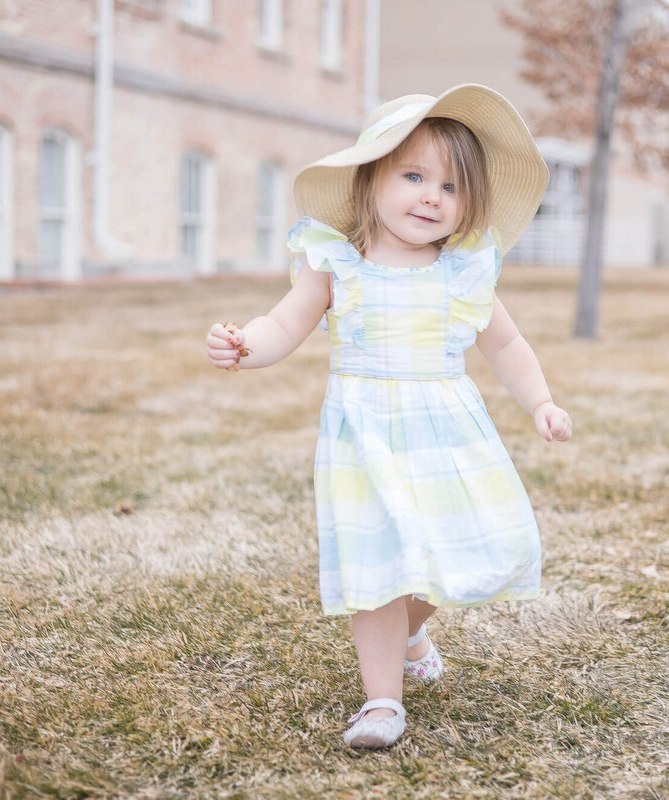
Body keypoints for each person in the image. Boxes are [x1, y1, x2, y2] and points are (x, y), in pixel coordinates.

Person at [205, 85, 572, 750]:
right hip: (366, 436)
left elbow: (507, 346)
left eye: (451, 187)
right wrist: (245, 347)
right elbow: (284, 323)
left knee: (465, 550)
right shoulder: (337, 265)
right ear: (368, 180)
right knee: (377, 563)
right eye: (413, 176)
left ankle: (410, 628)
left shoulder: (461, 274)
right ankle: (382, 704)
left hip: (448, 439)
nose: (432, 196)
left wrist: (541, 401)